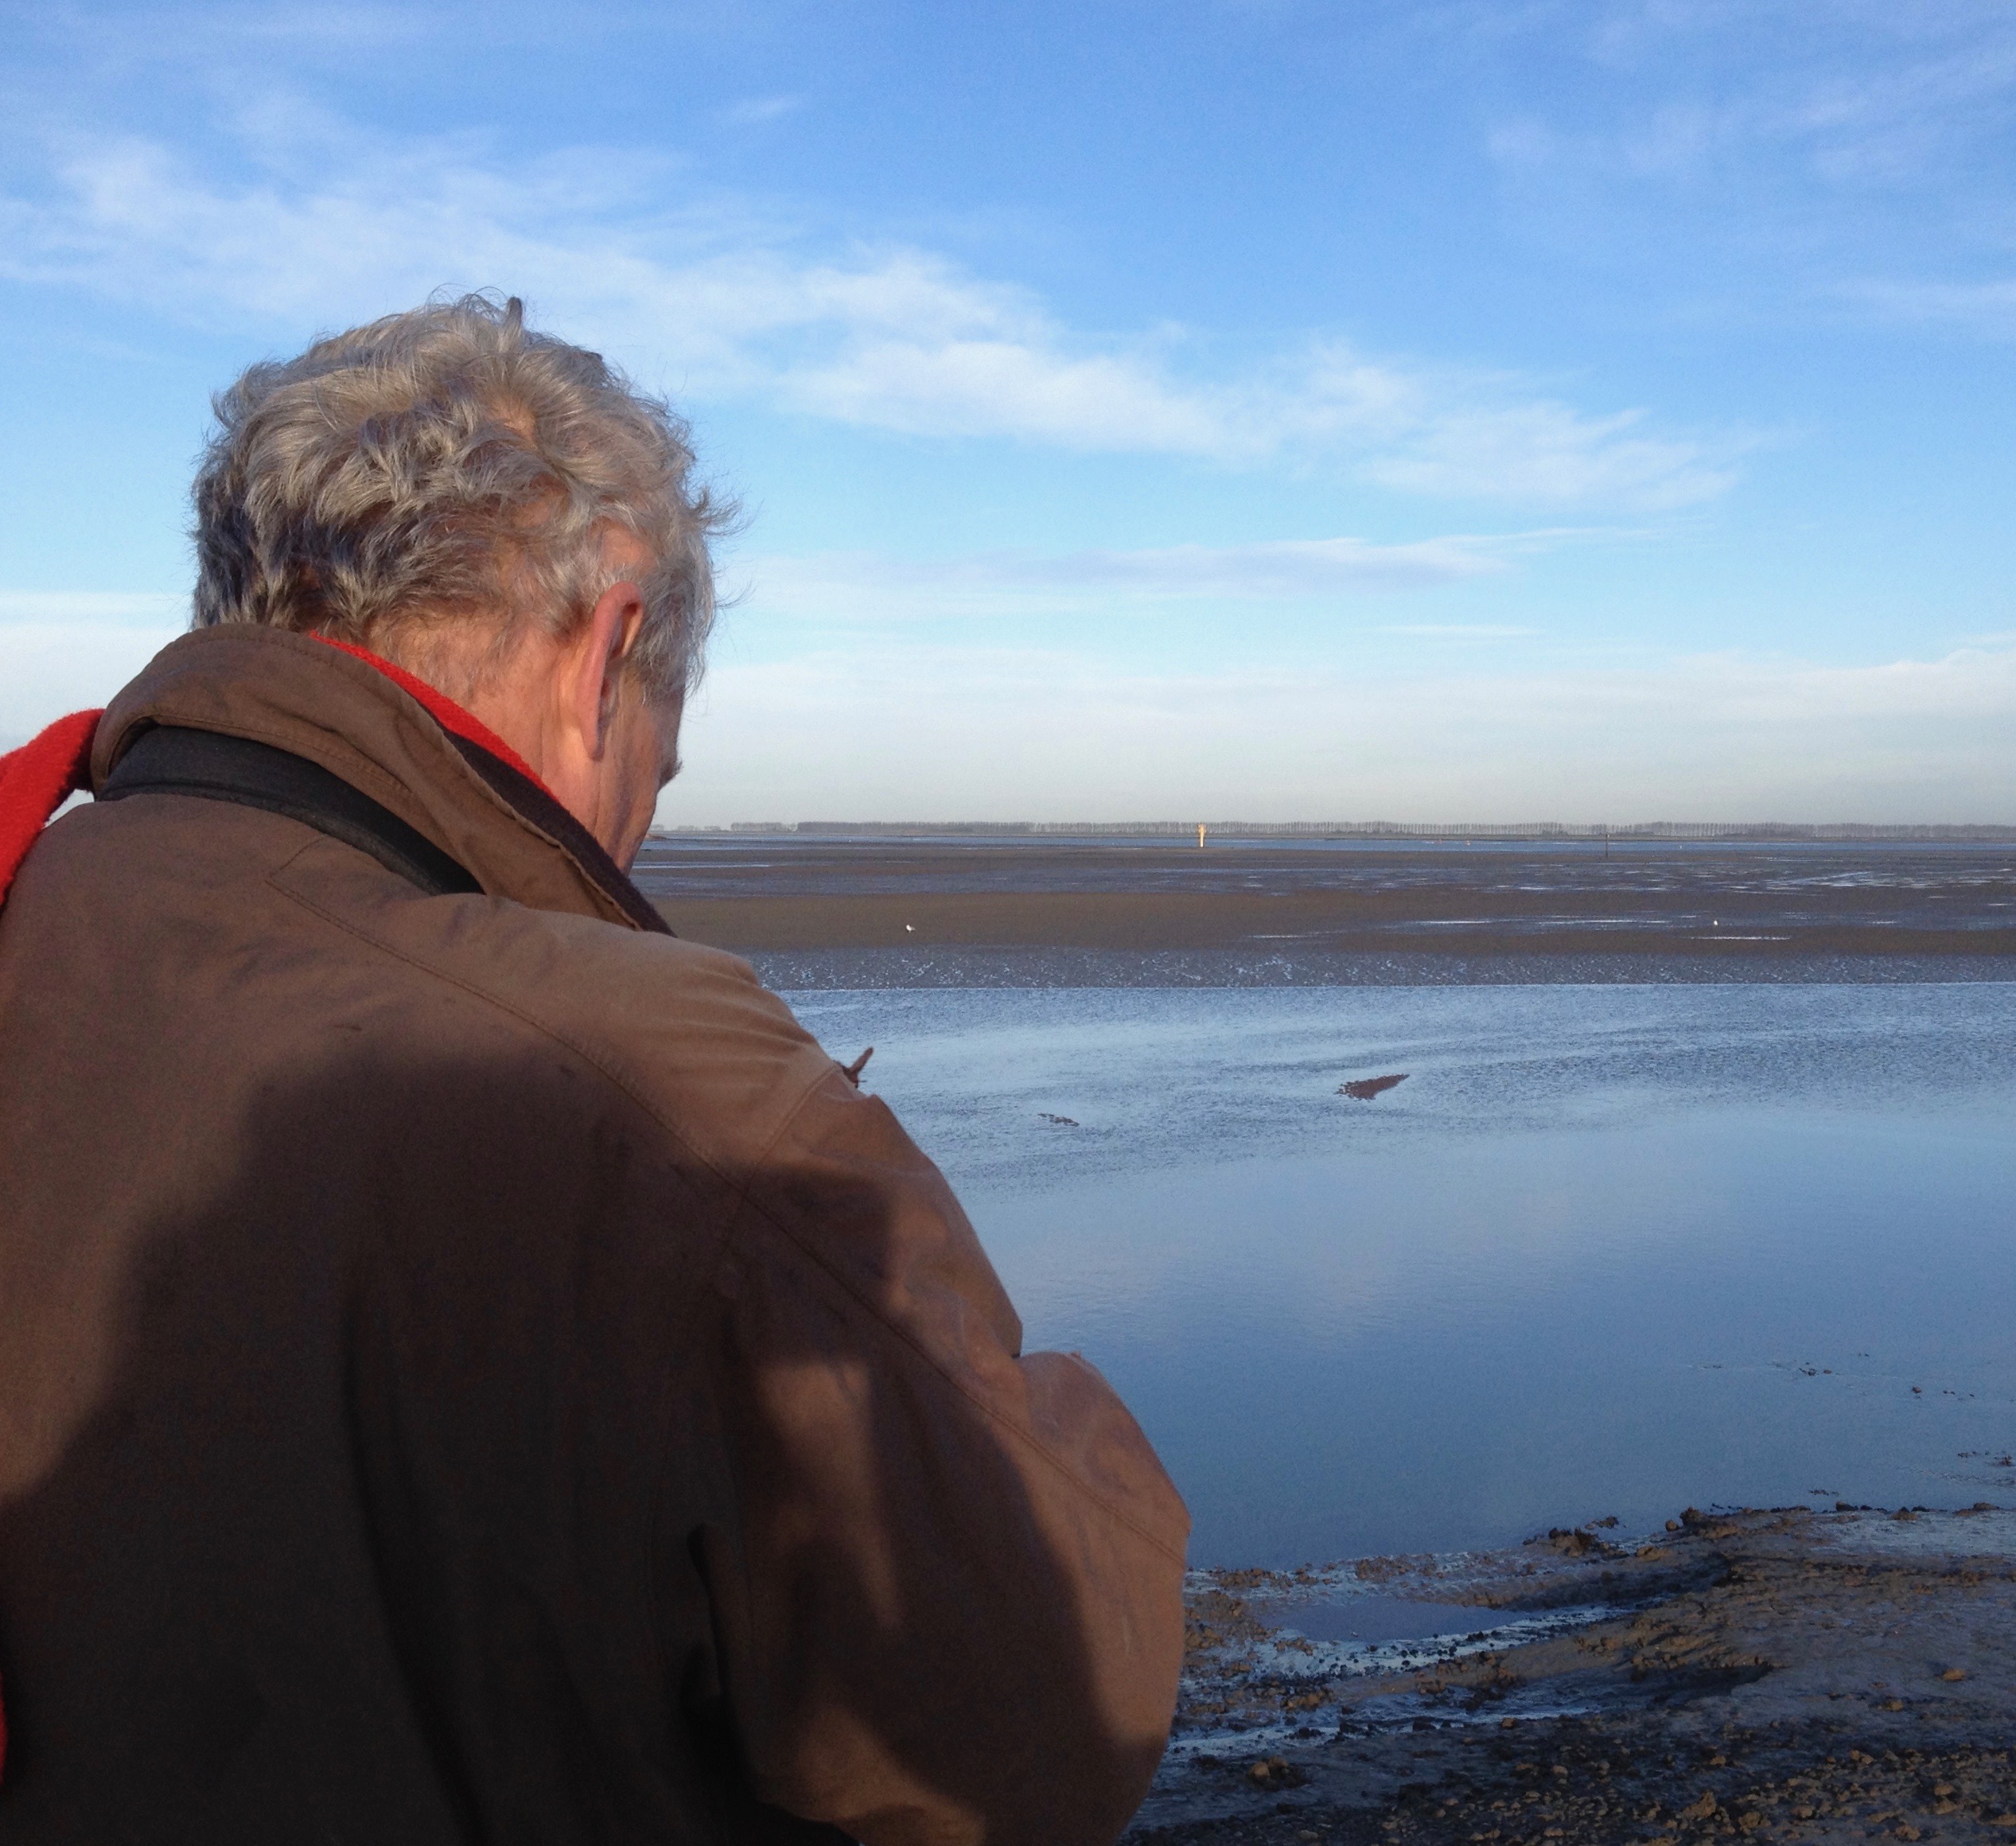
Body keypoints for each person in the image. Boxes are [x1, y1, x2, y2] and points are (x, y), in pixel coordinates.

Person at [0, 295, 1189, 1844]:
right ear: (608, 646)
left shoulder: (42, 897)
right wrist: (1027, 1416)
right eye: (659, 769)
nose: (636, 831)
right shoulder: (660, 1093)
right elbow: (1044, 1726)